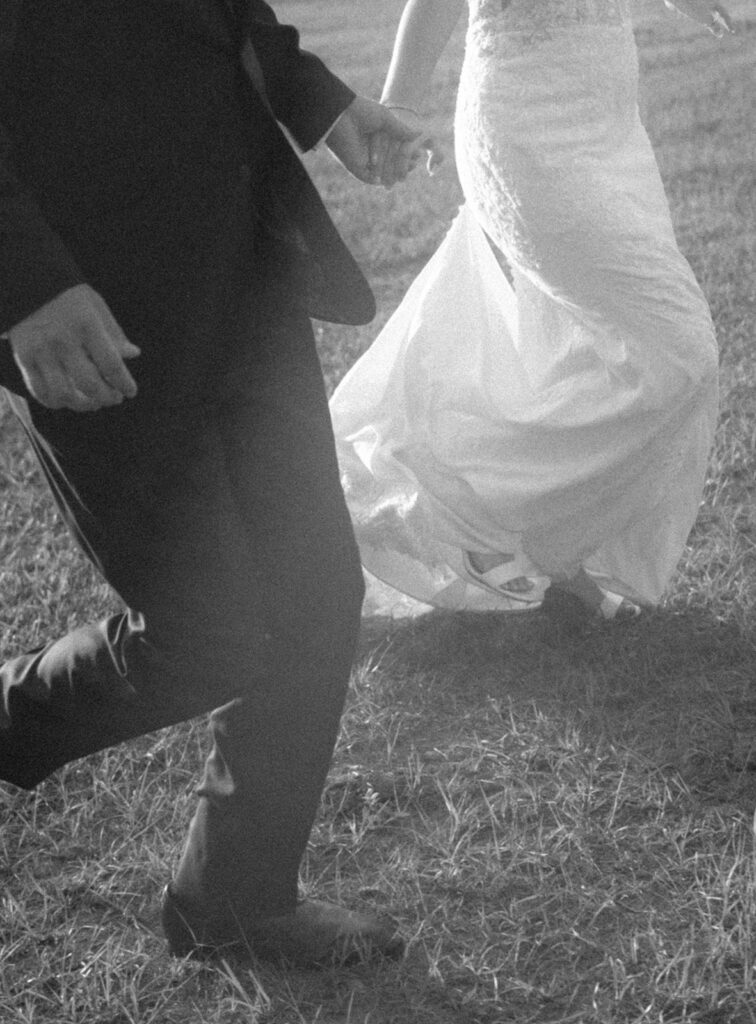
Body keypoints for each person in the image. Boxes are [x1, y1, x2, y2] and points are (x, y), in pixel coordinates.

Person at [0, 0, 423, 967]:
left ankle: (235, 898)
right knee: (205, 633)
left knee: (316, 592)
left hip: (246, 263)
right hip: (88, 308)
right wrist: (22, 284)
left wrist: (323, 101)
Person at [330, 0, 727, 625]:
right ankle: (477, 519)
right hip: (527, 130)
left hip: (610, 126)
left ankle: (566, 568)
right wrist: (398, 104)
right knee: (683, 355)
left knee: (584, 343)